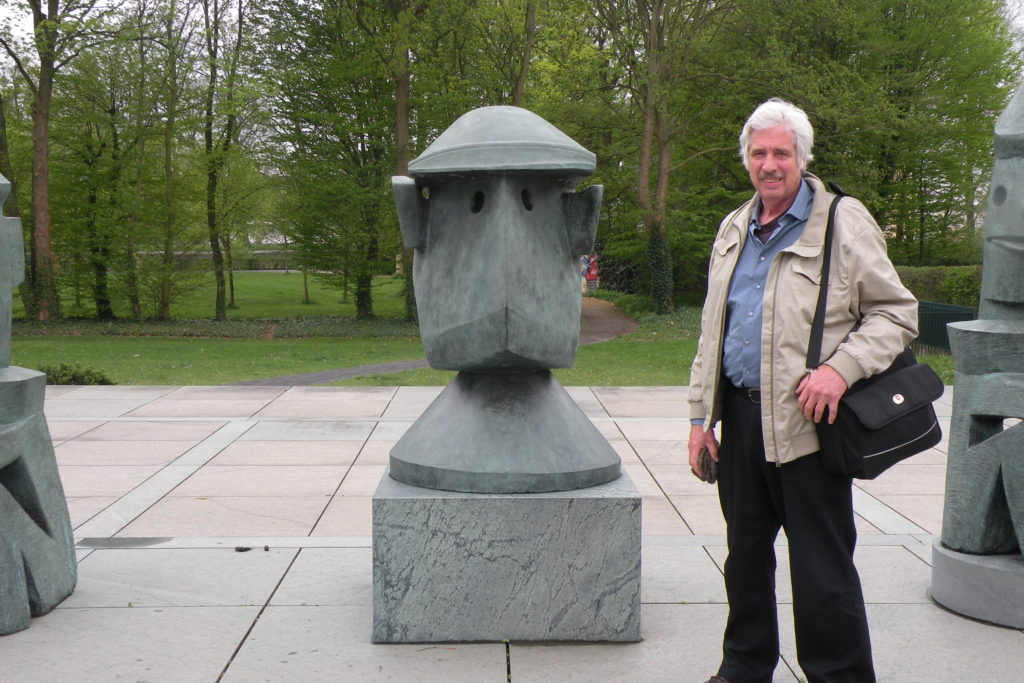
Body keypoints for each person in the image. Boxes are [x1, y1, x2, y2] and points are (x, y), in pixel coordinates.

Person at [688, 98, 918, 683]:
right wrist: (699, 420)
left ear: (801, 158)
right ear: (746, 159)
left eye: (781, 153)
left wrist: (840, 369)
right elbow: (714, 329)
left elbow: (895, 313)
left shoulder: (843, 220)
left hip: (810, 430)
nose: (769, 164)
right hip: (739, 425)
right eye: (759, 153)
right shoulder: (734, 226)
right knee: (744, 562)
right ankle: (742, 669)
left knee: (822, 572)